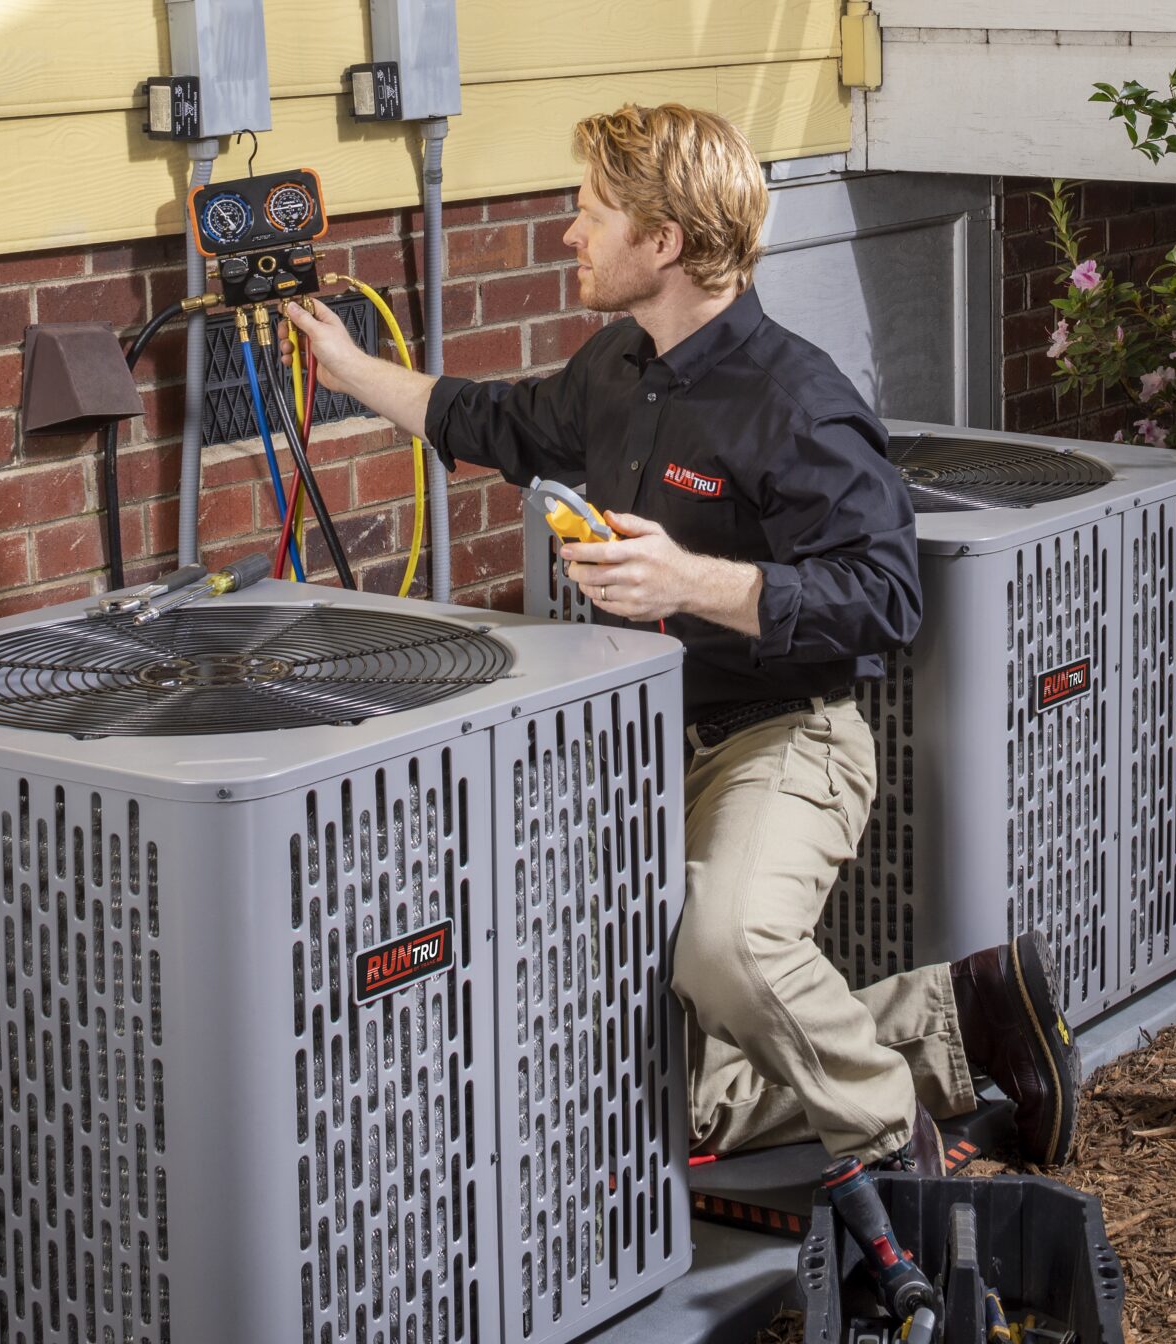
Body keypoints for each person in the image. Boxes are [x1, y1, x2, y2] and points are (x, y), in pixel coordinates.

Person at [283, 102, 1079, 1173]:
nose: (568, 233)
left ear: (663, 242)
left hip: (786, 736)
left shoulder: (800, 401)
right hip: (644, 747)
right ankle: (955, 1014)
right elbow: (490, 421)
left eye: (591, 215)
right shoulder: (615, 366)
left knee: (728, 948)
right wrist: (347, 368)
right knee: (680, 1102)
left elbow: (885, 597)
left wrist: (689, 578)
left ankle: (897, 1146)